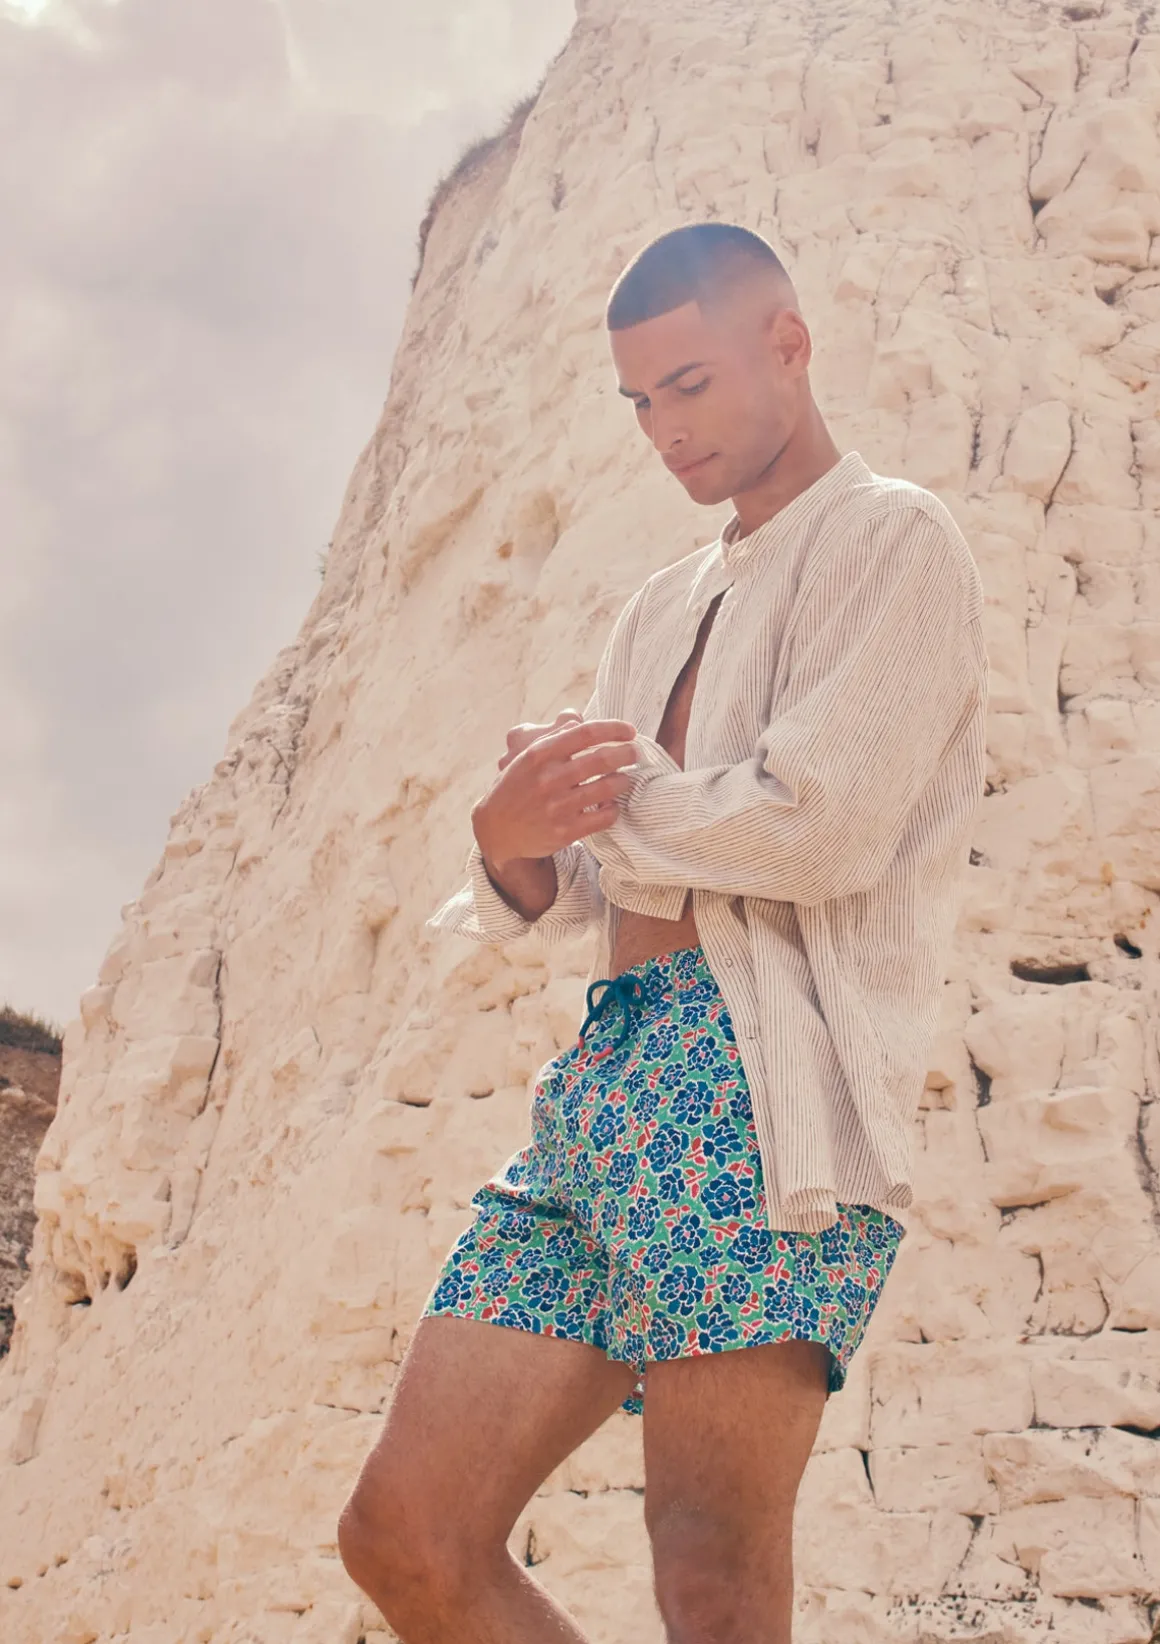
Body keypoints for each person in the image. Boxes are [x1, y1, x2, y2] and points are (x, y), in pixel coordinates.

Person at [338, 222, 987, 1643]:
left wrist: (613, 799)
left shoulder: (891, 538)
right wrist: (513, 846)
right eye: (639, 401)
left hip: (759, 1088)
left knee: (709, 1568)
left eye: (688, 385)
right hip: (604, 1080)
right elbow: (603, 875)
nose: (663, 429)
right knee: (406, 1536)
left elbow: (818, 829)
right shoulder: (659, 606)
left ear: (788, 345)